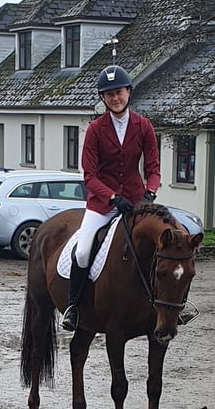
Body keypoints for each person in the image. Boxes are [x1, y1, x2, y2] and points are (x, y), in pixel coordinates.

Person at [61, 65, 161, 332]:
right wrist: (113, 197)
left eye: (118, 92)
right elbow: (90, 175)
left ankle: (170, 306)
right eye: (109, 94)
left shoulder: (144, 126)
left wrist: (150, 192)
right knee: (82, 251)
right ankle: (73, 307)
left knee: (163, 244)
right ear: (103, 98)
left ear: (128, 92)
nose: (115, 98)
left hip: (137, 203)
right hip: (103, 204)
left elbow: (153, 168)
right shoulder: (95, 129)